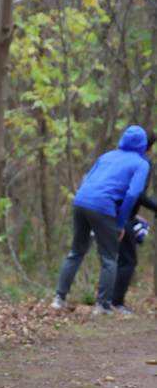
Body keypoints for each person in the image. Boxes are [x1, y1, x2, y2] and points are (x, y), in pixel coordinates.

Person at [51, 125, 150, 315]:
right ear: (143, 145)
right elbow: (133, 194)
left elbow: (88, 179)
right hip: (103, 206)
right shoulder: (141, 163)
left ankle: (59, 298)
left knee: (76, 252)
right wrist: (121, 222)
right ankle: (103, 305)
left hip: (81, 201)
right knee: (109, 257)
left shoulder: (106, 156)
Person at [112, 132, 157, 314]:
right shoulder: (143, 164)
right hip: (120, 215)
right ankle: (116, 302)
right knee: (128, 260)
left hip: (108, 209)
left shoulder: (118, 157)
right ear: (149, 147)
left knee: (115, 258)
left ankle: (108, 300)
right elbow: (136, 194)